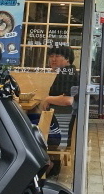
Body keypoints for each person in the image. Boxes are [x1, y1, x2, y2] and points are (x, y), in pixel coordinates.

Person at [35, 46, 79, 177]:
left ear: (67, 59)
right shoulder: (65, 72)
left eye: (57, 56)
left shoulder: (67, 73)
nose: (53, 59)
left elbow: (68, 100)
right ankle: (51, 162)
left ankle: (47, 163)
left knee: (26, 125)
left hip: (59, 128)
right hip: (61, 126)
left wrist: (48, 99)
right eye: (51, 56)